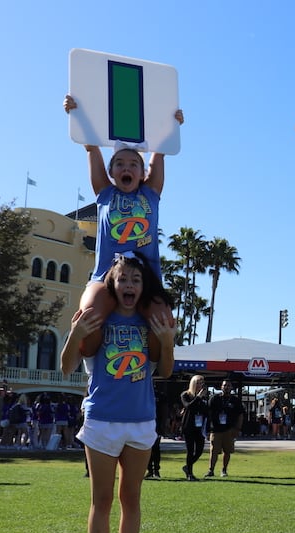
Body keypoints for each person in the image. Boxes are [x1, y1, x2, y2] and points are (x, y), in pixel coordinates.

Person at [60, 251, 176, 533]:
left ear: (143, 287)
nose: (129, 285)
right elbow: (67, 366)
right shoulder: (98, 321)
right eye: (123, 279)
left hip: (140, 422)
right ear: (112, 282)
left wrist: (168, 342)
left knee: (132, 497)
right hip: (102, 422)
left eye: (136, 280)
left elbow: (166, 371)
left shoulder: (150, 323)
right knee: (102, 499)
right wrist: (74, 333)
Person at [63, 95, 180, 360]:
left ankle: (143, 363)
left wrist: (173, 124)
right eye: (120, 164)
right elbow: (91, 148)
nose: (126, 168)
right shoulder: (104, 193)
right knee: (89, 312)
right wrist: (75, 113)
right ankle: (95, 362)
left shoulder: (151, 194)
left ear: (142, 173)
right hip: (106, 275)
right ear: (112, 172)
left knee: (165, 321)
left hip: (145, 279)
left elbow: (159, 150)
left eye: (133, 165)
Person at [205, 379, 245, 478]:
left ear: (231, 388)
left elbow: (240, 415)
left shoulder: (235, 401)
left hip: (229, 430)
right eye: (224, 385)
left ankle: (224, 470)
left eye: (228, 385)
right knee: (213, 450)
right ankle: (211, 470)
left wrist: (237, 429)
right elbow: (208, 414)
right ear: (221, 387)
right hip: (216, 429)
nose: (226, 387)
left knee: (227, 451)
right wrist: (208, 429)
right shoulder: (214, 399)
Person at [179, 375, 210, 481]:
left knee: (199, 450)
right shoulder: (185, 395)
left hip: (199, 426)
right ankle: (190, 474)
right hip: (189, 426)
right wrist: (198, 398)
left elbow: (206, 411)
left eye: (201, 383)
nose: (200, 385)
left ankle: (187, 467)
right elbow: (188, 406)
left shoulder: (204, 397)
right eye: (198, 383)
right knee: (190, 450)